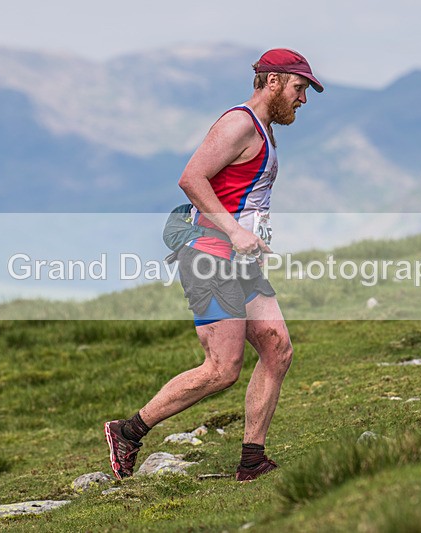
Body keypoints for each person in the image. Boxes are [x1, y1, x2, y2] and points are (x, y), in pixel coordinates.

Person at [105, 48, 323, 482]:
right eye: (299, 88)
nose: (303, 99)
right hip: (211, 255)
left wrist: (252, 238)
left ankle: (252, 459)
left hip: (240, 260)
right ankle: (128, 432)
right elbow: (191, 178)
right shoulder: (239, 123)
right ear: (273, 81)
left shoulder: (264, 130)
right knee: (222, 369)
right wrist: (237, 232)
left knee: (277, 349)